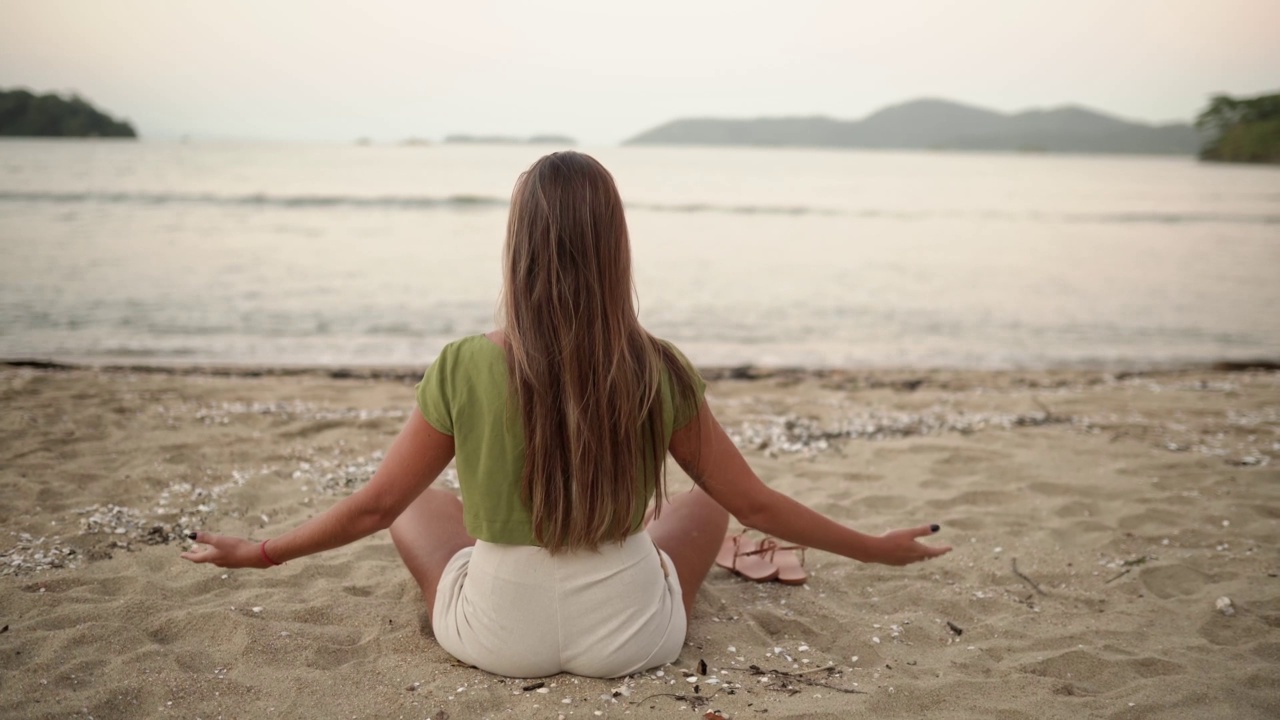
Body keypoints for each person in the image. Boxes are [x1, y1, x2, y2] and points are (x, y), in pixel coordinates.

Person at [181, 151, 951, 678]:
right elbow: (753, 500)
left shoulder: (463, 364)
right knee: (706, 507)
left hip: (494, 637)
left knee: (416, 503)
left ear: (519, 247)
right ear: (615, 247)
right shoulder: (656, 368)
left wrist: (262, 552)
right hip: (633, 642)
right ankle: (643, 569)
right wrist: (874, 550)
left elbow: (374, 507)